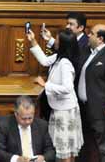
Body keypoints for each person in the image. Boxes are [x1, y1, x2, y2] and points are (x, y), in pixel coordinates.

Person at [27, 29, 84, 162]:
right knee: (66, 150)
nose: (55, 41)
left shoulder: (65, 63)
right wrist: (33, 40)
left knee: (65, 151)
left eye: (57, 40)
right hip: (61, 108)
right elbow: (44, 61)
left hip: (65, 111)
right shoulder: (59, 57)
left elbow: (67, 88)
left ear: (63, 44)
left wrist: (45, 84)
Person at [76, 24, 105, 162]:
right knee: (85, 146)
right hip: (86, 108)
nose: (88, 35)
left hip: (103, 111)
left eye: (92, 33)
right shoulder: (90, 53)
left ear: (100, 38)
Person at [0, 95, 55, 162]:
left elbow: (50, 151)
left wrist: (43, 158)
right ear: (16, 114)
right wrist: (17, 159)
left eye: (30, 118)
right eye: (23, 119)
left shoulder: (42, 125)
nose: (27, 122)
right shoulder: (4, 125)